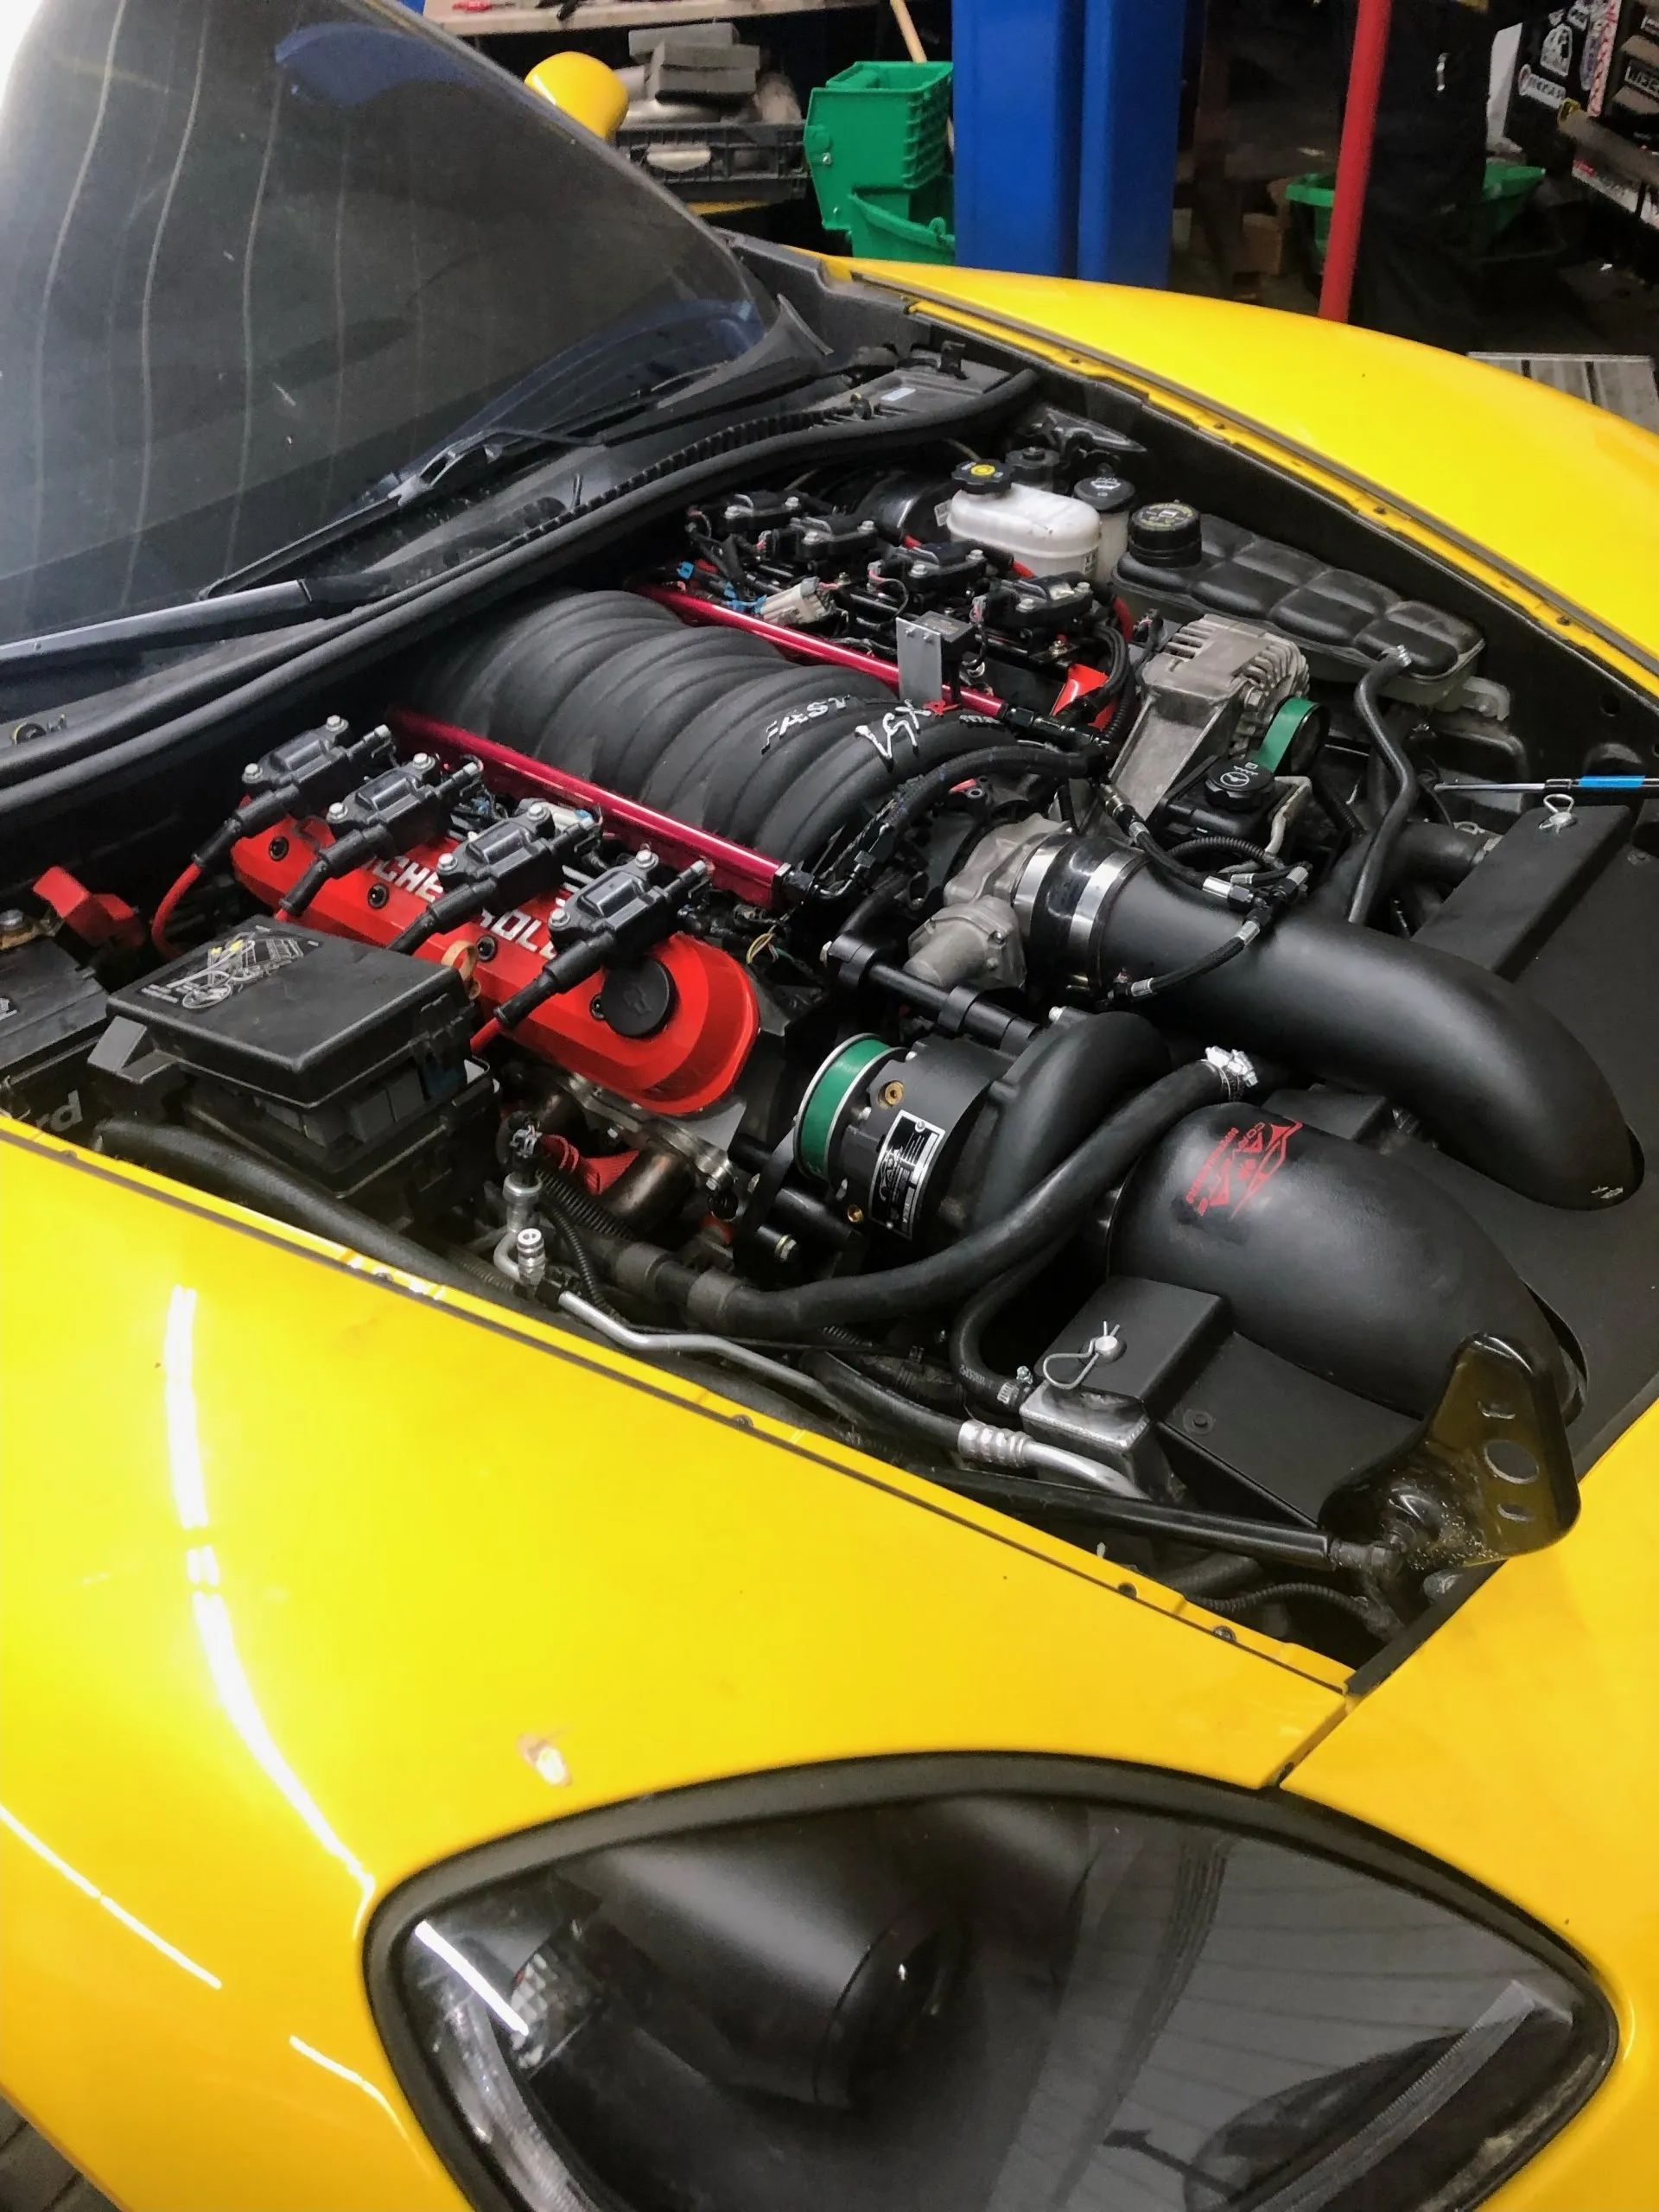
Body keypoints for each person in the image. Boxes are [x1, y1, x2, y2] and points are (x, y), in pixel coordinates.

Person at [1340, 0, 1553, 349]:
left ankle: (1413, 379)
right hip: (1405, 102)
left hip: (1423, 111)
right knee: (1390, 240)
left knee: (1416, 260)